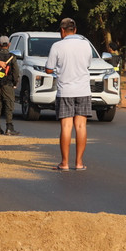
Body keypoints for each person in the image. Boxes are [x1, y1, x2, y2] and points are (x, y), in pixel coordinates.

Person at [45, 17, 92, 171]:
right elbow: (88, 64)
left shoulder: (57, 46)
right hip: (83, 90)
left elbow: (49, 68)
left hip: (65, 91)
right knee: (81, 126)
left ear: (62, 31)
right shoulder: (86, 45)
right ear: (75, 30)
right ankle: (79, 163)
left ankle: (64, 163)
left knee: (66, 126)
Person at [0, 36, 20, 135]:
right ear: (9, 44)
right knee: (9, 105)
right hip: (7, 84)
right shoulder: (12, 57)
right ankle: (9, 128)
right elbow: (16, 72)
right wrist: (14, 82)